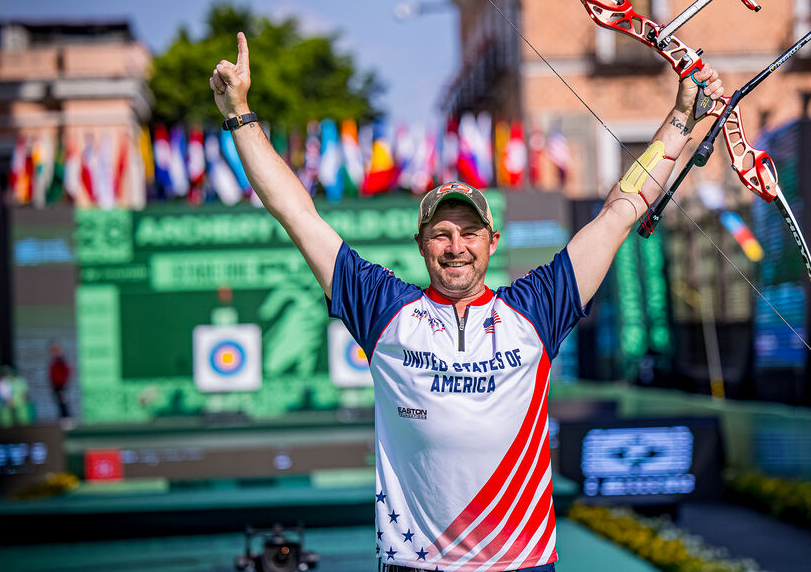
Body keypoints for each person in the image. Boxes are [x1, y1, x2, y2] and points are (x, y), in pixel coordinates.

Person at [209, 32, 722, 572]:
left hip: (520, 564)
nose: (456, 247)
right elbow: (297, 213)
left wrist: (683, 117)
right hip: (417, 565)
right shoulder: (384, 310)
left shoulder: (536, 309)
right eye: (442, 233)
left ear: (492, 242)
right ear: (422, 244)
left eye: (470, 232)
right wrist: (241, 115)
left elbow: (622, 207)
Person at [48, 342, 71, 421]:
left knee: (63, 403)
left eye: (55, 350)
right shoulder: (55, 361)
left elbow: (66, 373)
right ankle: (63, 419)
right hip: (56, 386)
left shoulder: (61, 361)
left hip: (61, 386)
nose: (53, 352)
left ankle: (66, 419)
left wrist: (62, 384)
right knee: (59, 403)